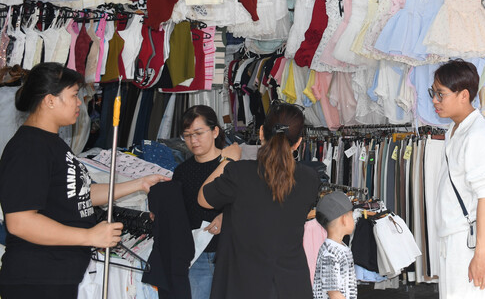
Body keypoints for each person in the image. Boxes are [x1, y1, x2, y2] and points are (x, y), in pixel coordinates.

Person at [0, 62, 169, 299]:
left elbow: (80, 194)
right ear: (50, 100)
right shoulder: (29, 148)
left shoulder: (53, 143)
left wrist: (139, 184)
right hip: (36, 277)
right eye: (73, 95)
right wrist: (89, 236)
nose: (80, 102)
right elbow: (20, 222)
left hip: (57, 274)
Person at [198, 101, 320, 298]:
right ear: (298, 142)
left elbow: (203, 198)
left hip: (244, 285)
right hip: (292, 286)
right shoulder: (309, 178)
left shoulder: (239, 173)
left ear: (261, 133)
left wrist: (228, 159)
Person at [431, 60, 485, 297]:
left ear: (463, 95)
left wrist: (480, 256)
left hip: (468, 241)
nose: (434, 100)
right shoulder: (455, 130)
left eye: (440, 94)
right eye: (433, 93)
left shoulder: (478, 136)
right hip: (457, 238)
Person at [172, 105, 241, 299]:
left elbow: (251, 206)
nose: (193, 141)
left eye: (198, 133)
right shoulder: (182, 172)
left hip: (229, 254)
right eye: (187, 135)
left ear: (215, 131)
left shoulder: (232, 164)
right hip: (197, 257)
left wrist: (226, 215)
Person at [312, 191, 357, 299]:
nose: (354, 220)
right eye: (352, 216)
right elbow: (333, 293)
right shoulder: (329, 254)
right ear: (344, 219)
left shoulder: (340, 247)